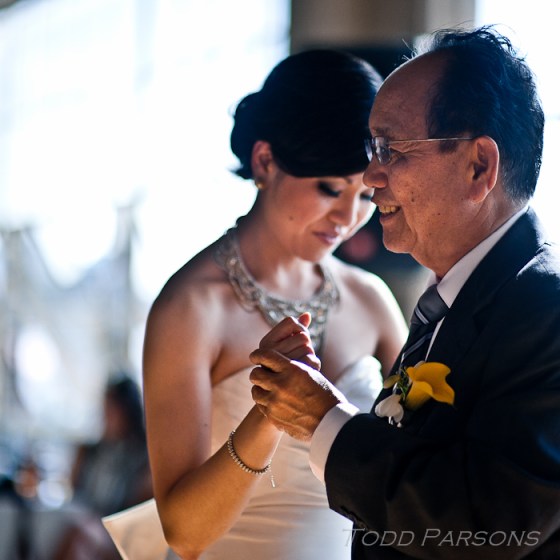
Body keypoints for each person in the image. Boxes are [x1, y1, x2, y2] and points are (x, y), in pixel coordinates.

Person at [250, 25, 560, 558]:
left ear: (479, 166)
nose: (370, 176)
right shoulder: (451, 300)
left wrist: (325, 421)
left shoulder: (545, 310)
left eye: (390, 149)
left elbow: (489, 527)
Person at [141, 49, 407, 560]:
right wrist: (271, 412)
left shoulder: (371, 300)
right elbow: (184, 534)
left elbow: (421, 466)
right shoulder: (191, 308)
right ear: (265, 161)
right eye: (330, 188)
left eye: (364, 195)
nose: (347, 218)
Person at [55, 375, 153, 559]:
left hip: (119, 531)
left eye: (111, 410)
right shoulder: (89, 451)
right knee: (74, 533)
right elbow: (75, 493)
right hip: (88, 521)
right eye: (104, 409)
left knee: (78, 534)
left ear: (127, 412)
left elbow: (138, 510)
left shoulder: (144, 459)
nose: (105, 416)